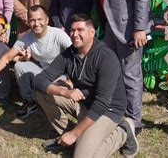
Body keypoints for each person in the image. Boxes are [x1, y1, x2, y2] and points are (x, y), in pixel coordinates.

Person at [34, 14, 139, 157]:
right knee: (43, 93)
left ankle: (122, 132)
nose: (74, 34)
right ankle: (67, 137)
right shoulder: (69, 54)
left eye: (80, 30)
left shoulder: (106, 58)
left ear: (92, 32)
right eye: (72, 30)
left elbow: (102, 103)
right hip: (84, 103)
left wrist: (75, 133)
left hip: (108, 110)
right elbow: (39, 80)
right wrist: (64, 92)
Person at [85, 0, 151, 135]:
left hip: (128, 32)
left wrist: (139, 29)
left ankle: (134, 122)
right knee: (113, 74)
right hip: (110, 30)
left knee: (131, 76)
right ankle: (115, 111)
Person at [0, 5, 71, 118]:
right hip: (42, 72)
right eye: (32, 20)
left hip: (61, 75)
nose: (36, 23)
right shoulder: (26, 37)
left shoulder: (58, 34)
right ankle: (30, 101)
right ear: (28, 22)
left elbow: (75, 55)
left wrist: (71, 79)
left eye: (39, 19)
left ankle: (59, 101)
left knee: (61, 96)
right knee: (20, 66)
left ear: (47, 20)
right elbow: (7, 57)